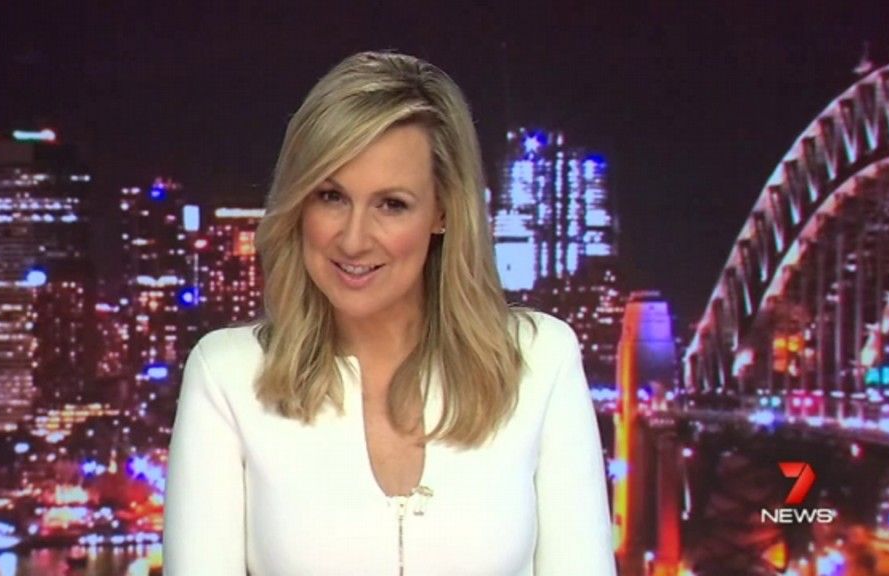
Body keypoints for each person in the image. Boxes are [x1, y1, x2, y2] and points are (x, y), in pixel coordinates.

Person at [164, 51, 616, 575]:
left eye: (392, 204)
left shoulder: (541, 361)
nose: (354, 239)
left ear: (443, 210)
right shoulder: (228, 375)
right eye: (331, 196)